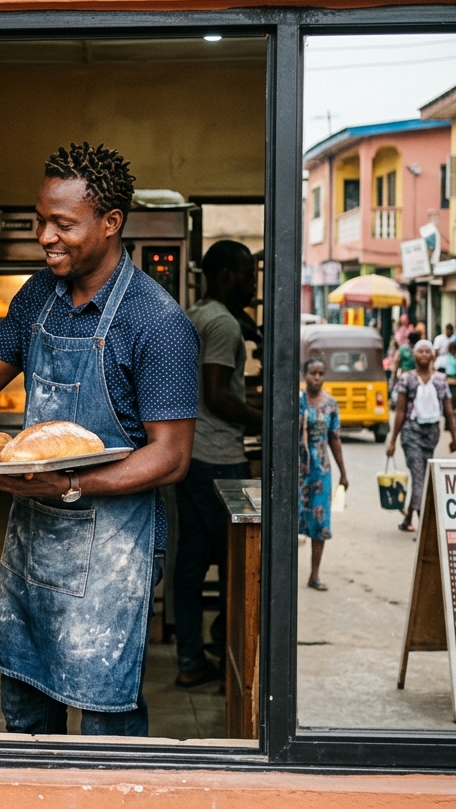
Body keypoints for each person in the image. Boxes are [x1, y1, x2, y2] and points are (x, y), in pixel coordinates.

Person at [0, 142, 200, 737]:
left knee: (105, 721)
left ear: (111, 223)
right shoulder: (37, 296)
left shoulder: (157, 322)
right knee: (25, 715)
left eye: (63, 224)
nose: (45, 235)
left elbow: (172, 456)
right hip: (33, 538)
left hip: (110, 550)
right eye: (41, 219)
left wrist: (70, 483)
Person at [172, 239, 263, 688]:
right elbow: (217, 393)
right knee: (237, 563)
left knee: (190, 560)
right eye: (248, 275)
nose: (252, 283)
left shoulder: (197, 313)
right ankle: (233, 665)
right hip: (221, 459)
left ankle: (191, 658)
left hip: (191, 454)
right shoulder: (224, 326)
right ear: (227, 275)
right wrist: (265, 417)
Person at [386, 340, 456, 532]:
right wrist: (393, 441)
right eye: (420, 351)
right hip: (411, 432)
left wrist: (454, 437)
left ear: (433, 355)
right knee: (419, 475)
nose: (424, 355)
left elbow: (449, 411)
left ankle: (408, 518)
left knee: (424, 476)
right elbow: (400, 412)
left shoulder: (440, 380)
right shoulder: (406, 379)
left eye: (428, 351)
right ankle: (424, 526)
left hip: (431, 434)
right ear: (414, 356)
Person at [300, 358, 348, 592]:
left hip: (321, 472)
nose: (316, 378)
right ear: (304, 374)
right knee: (292, 521)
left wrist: (343, 472)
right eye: (312, 373)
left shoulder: (331, 404)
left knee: (319, 524)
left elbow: (334, 438)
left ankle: (315, 574)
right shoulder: (296, 401)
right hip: (298, 471)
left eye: (320, 373)